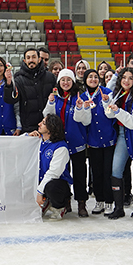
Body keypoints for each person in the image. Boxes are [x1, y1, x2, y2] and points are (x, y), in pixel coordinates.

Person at [43, 69, 92, 216]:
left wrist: (79, 107)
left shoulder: (81, 97)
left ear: (73, 82)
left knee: (80, 174)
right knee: (63, 173)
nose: (65, 82)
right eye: (63, 80)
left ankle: (82, 203)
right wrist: (51, 103)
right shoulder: (55, 97)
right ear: (59, 82)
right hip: (60, 143)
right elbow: (47, 116)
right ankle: (66, 201)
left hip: (77, 142)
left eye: (68, 80)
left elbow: (85, 120)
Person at [103, 67, 133, 220]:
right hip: (123, 135)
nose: (126, 81)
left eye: (130, 78)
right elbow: (109, 114)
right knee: (116, 170)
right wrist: (106, 104)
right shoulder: (118, 95)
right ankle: (118, 207)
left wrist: (117, 111)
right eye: (124, 78)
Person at [80, 69, 116, 215]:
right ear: (85, 80)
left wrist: (107, 101)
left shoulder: (107, 92)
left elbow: (112, 113)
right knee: (97, 173)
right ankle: (99, 201)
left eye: (96, 77)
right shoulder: (82, 96)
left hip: (108, 140)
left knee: (108, 172)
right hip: (93, 141)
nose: (93, 79)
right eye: (90, 77)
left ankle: (109, 202)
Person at [28, 114, 72, 221]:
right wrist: (27, 137)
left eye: (43, 123)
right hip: (39, 181)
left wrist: (39, 192)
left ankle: (60, 206)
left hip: (57, 185)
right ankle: (46, 201)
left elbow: (53, 173)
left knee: (51, 186)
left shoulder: (61, 148)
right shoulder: (37, 141)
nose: (39, 124)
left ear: (50, 128)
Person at [4, 48, 56, 134]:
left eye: (33, 57)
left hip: (48, 126)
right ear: (24, 60)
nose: (31, 60)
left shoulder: (50, 77)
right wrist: (9, 84)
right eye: (28, 58)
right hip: (28, 127)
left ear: (39, 59)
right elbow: (11, 100)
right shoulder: (19, 78)